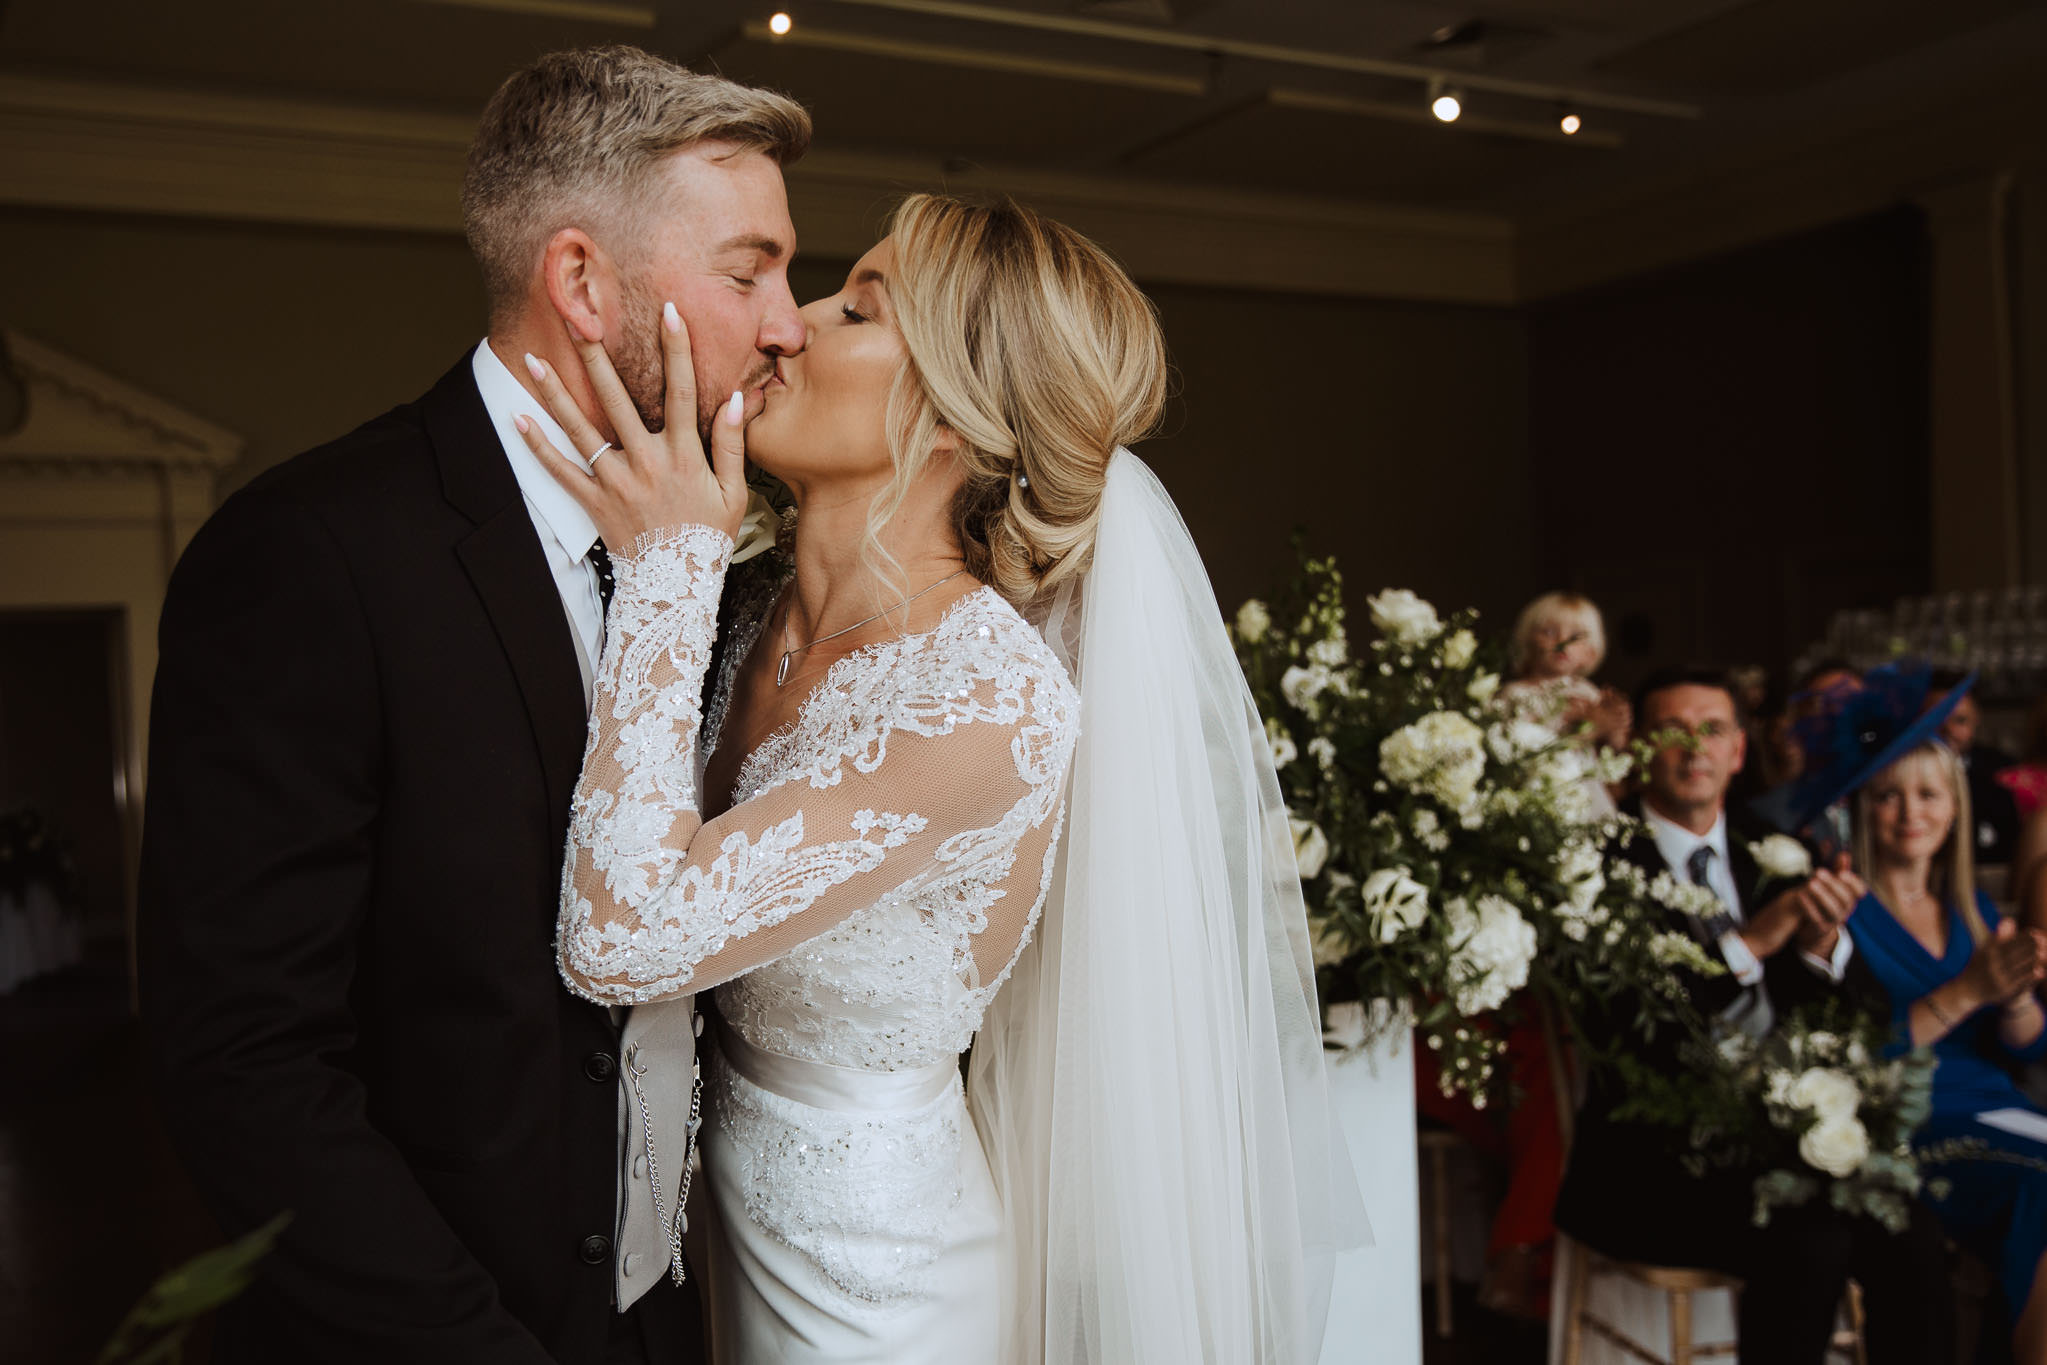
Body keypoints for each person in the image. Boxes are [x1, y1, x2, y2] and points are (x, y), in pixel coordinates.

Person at [518, 193, 1362, 1363]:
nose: (788, 325)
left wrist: (667, 568)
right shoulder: (750, 610)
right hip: (696, 1235)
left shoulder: (986, 702)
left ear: (961, 419)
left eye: (857, 308)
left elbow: (624, 937)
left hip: (870, 1290)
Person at [136, 47, 809, 1363]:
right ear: (579, 280)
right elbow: (245, 1062)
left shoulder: (729, 572)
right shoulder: (314, 551)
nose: (787, 319)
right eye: (748, 271)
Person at [1554, 668, 1956, 1365]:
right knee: (1813, 1236)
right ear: (1639, 751)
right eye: (1670, 731)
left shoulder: (1774, 848)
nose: (1693, 748)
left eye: (1710, 729)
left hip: (1786, 1140)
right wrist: (1750, 943)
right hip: (1654, 1159)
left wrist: (1822, 945)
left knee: (1915, 1234)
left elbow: (1861, 1014)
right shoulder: (1595, 864)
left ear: (1738, 750)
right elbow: (1619, 1024)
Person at [1833, 676, 2047, 1361]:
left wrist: (2013, 995)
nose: (1909, 812)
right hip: (1908, 1122)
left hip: (2000, 1105)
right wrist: (1965, 989)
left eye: (1927, 794)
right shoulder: (1840, 912)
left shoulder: (1974, 911)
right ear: (1863, 807)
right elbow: (1846, 1062)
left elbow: (2029, 1042)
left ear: (1953, 808)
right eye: (1888, 794)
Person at [1930, 666, 2023, 867]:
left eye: (1960, 721)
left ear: (1976, 721)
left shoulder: (2003, 773)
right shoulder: (1893, 773)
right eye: (1936, 720)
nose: (1948, 730)